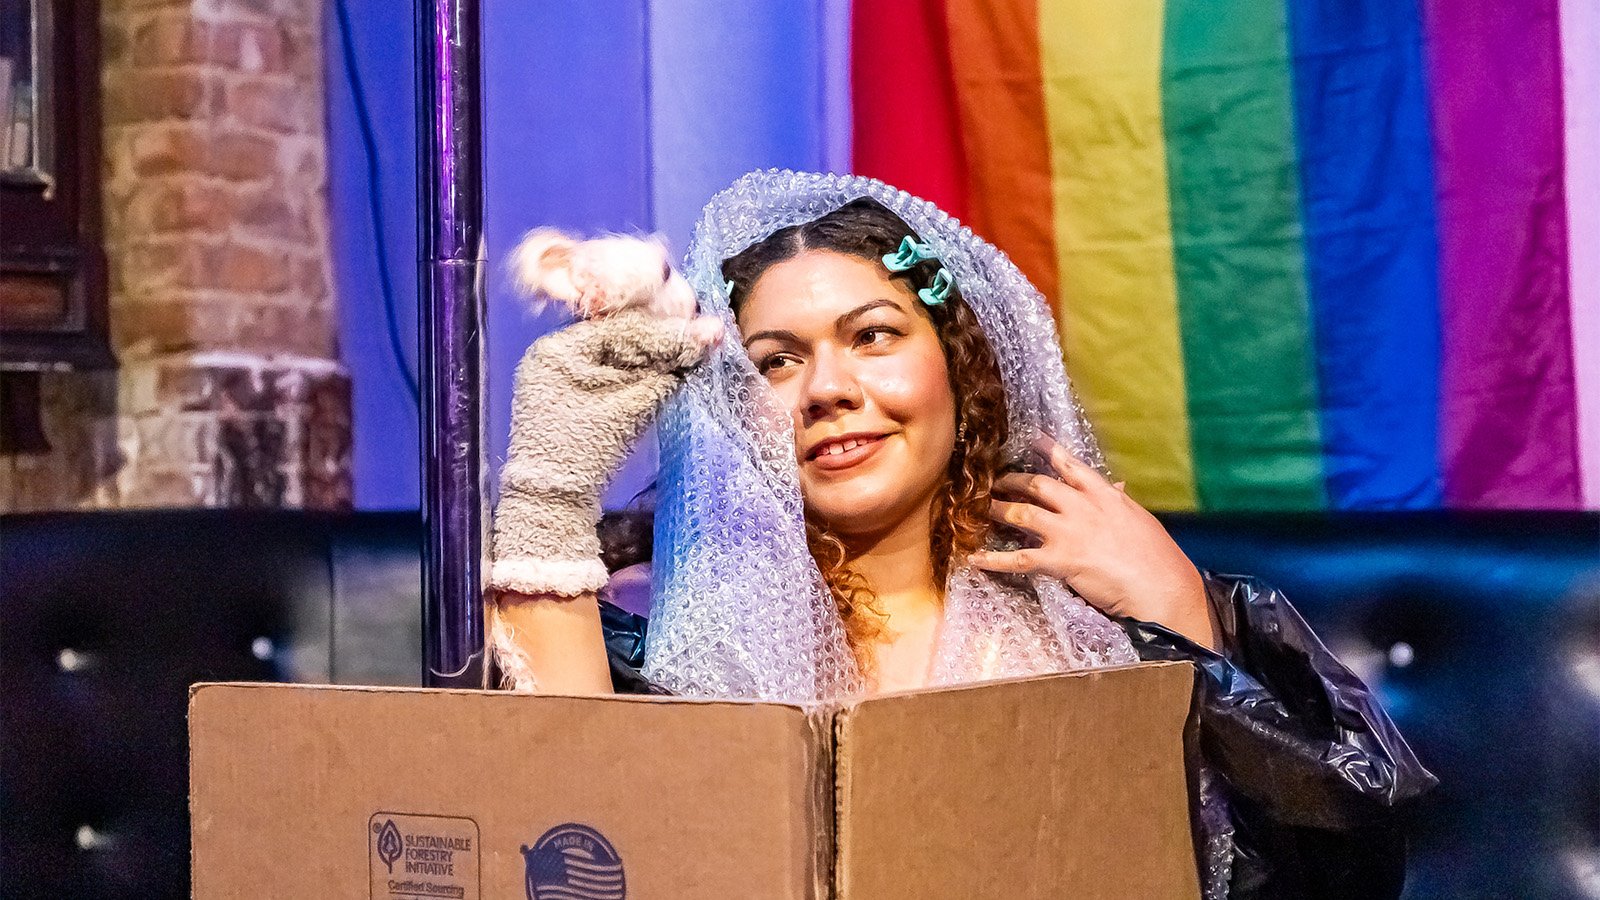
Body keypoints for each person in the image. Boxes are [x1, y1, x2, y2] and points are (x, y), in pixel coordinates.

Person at [488, 170, 1436, 898]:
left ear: (959, 365)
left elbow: (1336, 868)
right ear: (732, 409)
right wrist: (548, 490)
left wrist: (1184, 616)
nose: (827, 389)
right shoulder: (674, 640)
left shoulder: (1099, 628)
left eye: (872, 336)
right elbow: (569, 814)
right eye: (776, 361)